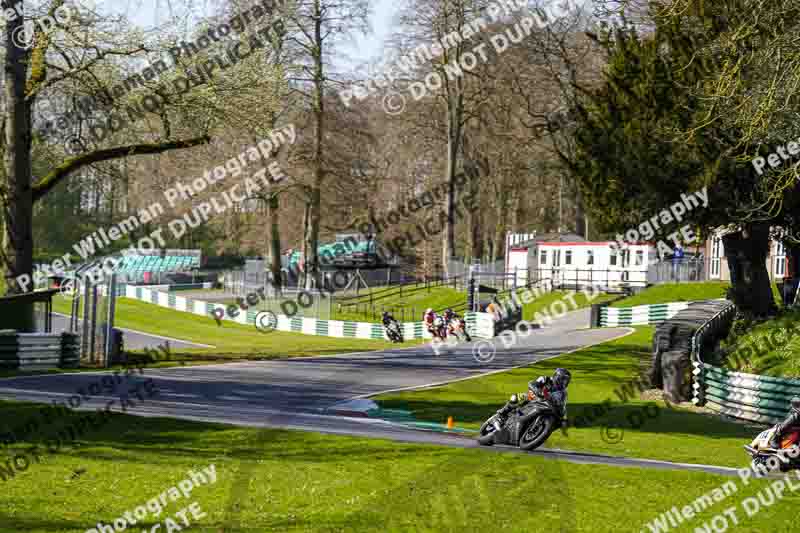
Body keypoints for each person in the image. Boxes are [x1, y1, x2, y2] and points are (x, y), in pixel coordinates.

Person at [494, 368, 571, 429]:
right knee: (516, 397)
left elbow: (562, 404)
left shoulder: (563, 393)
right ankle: (501, 416)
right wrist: (538, 391)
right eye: (563, 379)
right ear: (557, 377)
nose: (564, 382)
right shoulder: (545, 379)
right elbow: (532, 384)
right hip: (534, 397)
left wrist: (564, 418)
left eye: (566, 381)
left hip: (546, 405)